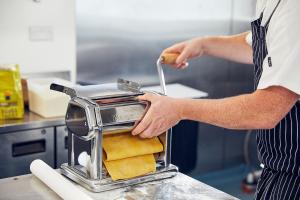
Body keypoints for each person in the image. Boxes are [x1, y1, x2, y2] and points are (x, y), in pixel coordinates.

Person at [132, 0, 300, 199]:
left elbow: (266, 110)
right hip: (280, 167)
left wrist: (180, 109)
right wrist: (203, 45)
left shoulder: (294, 8)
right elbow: (259, 45)